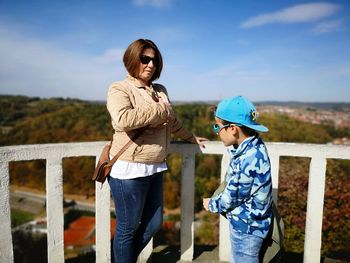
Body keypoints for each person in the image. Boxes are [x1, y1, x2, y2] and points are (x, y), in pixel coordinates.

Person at [106, 39, 207, 263]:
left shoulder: (160, 90)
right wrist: (160, 108)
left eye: (154, 60)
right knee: (128, 227)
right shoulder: (119, 88)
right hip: (128, 168)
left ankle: (125, 258)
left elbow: (172, 122)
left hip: (155, 165)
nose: (150, 65)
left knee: (153, 223)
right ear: (132, 59)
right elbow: (123, 119)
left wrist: (190, 137)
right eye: (144, 59)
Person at [203, 95, 272, 263]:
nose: (217, 132)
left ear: (233, 128)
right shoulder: (255, 147)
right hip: (252, 224)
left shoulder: (247, 159)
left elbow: (232, 197)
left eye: (218, 127)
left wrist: (211, 204)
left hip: (247, 228)